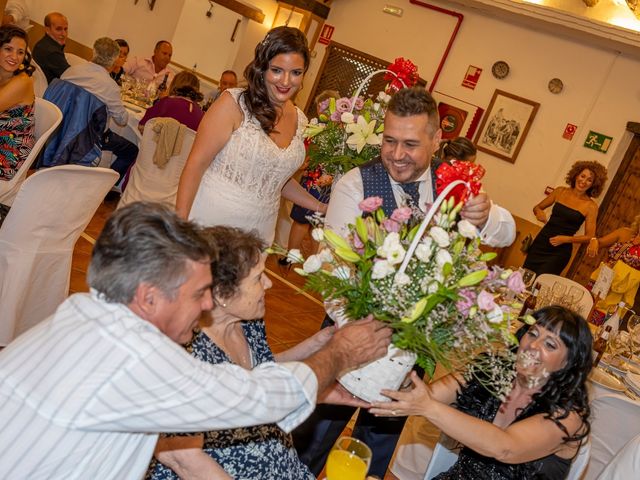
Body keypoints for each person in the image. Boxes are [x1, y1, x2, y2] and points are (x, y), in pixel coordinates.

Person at [0, 202, 392, 479]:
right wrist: (341, 353)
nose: (207, 303)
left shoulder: (84, 311)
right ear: (149, 296)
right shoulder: (136, 359)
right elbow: (254, 397)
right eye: (197, 293)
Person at [294, 87, 516, 478]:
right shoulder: (355, 184)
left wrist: (487, 216)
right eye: (390, 141)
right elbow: (334, 271)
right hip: (349, 334)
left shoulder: (454, 188)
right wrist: (362, 334)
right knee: (311, 441)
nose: (397, 154)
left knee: (374, 451)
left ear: (436, 140)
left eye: (411, 144)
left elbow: (507, 233)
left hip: (415, 348)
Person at [148, 225, 333, 479]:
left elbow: (259, 372)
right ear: (222, 294)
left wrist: (315, 344)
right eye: (258, 278)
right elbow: (183, 459)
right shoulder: (183, 349)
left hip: (281, 460)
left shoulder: (248, 320)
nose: (268, 284)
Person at [371, 306, 592, 479]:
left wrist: (428, 407)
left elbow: (506, 448)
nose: (533, 346)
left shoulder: (567, 414)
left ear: (567, 364)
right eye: (532, 333)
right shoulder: (491, 371)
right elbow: (426, 396)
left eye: (550, 345)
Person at [176, 26, 328, 244]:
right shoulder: (233, 104)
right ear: (262, 68)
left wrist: (320, 206)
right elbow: (195, 165)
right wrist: (179, 229)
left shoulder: (299, 119)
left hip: (260, 232)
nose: (286, 82)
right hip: (211, 223)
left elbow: (276, 178)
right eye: (277, 70)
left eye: (295, 72)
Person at [61, 37, 139, 185]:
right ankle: (105, 188)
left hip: (62, 125)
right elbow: (122, 120)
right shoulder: (110, 86)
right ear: (115, 59)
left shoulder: (71, 71)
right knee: (131, 150)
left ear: (94, 51)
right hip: (88, 135)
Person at [281, 89, 339, 265]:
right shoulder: (314, 129)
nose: (323, 112)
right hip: (311, 179)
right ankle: (291, 256)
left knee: (317, 224)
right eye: (321, 109)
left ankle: (311, 260)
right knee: (301, 220)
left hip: (327, 183)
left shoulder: (341, 132)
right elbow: (306, 153)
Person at [523, 160, 607, 276]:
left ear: (593, 184)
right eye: (582, 176)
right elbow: (537, 207)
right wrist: (539, 212)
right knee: (525, 277)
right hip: (541, 243)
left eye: (589, 180)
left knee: (541, 283)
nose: (584, 181)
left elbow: (590, 236)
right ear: (576, 175)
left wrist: (566, 239)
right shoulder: (560, 191)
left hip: (560, 252)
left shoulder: (591, 206)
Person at [0, 25, 35, 182]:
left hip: (8, 154)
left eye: (20, 52)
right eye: (8, 49)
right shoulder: (3, 76)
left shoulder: (22, 81)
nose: (14, 56)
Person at [588, 213, 640, 310]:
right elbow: (600, 242)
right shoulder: (624, 232)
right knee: (585, 307)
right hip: (602, 278)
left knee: (601, 319)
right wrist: (594, 240)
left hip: (620, 291)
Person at [139, 70, 204, 133]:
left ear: (174, 84)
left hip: (157, 143)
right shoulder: (201, 115)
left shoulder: (167, 102)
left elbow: (142, 126)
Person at [32, 12, 70, 83]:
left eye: (65, 29)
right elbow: (70, 76)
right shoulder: (52, 52)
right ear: (47, 30)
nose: (64, 34)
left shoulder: (43, 44)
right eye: (58, 29)